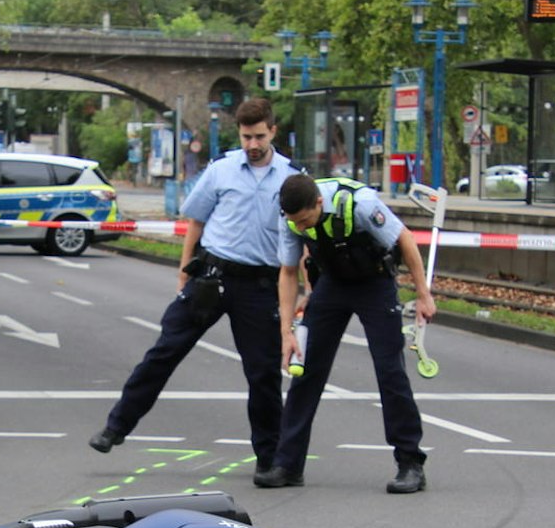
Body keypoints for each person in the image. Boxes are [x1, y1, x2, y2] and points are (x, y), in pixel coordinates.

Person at [89, 97, 297, 472]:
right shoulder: (221, 170)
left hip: (259, 285)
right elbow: (196, 222)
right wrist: (184, 272)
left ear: (273, 132)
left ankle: (270, 460)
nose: (252, 145)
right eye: (246, 137)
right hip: (211, 278)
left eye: (259, 137)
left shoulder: (290, 177)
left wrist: (303, 289)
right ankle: (116, 426)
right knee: (164, 351)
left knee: (263, 375)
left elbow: (299, 238)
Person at [255, 174, 435, 494]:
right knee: (306, 370)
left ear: (319, 204)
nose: (302, 228)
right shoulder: (290, 217)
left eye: (307, 221)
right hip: (331, 286)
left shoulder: (360, 204)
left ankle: (410, 463)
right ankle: (288, 464)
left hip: (374, 284)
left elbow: (404, 239)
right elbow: (288, 270)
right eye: (296, 223)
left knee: (390, 371)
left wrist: (423, 295)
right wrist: (286, 331)